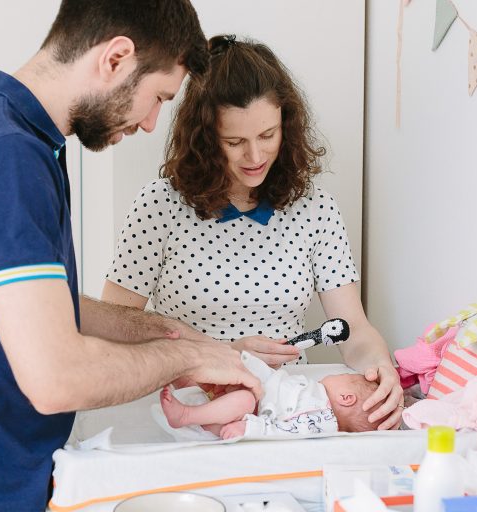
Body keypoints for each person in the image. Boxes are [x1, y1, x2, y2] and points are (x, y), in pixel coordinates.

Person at [0, 3, 264, 512]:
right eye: (157, 97)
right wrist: (183, 360)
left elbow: (33, 308)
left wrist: (186, 338)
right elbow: (57, 379)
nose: (149, 124)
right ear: (116, 58)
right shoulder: (8, 158)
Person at [102, 34, 404, 429]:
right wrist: (225, 354)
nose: (256, 156)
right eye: (235, 142)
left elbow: (354, 330)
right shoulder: (159, 206)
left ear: (286, 126)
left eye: (267, 136)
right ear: (207, 139)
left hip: (291, 413)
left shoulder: (315, 209)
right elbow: (116, 331)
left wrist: (381, 370)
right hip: (191, 408)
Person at [160, 351, 383, 439]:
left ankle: (187, 416)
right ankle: (192, 379)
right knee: (241, 388)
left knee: (243, 400)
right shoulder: (314, 393)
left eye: (342, 375)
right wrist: (247, 362)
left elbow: (286, 431)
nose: (335, 374)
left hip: (253, 413)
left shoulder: (322, 417)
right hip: (259, 394)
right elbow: (276, 382)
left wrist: (249, 429)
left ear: (346, 398)